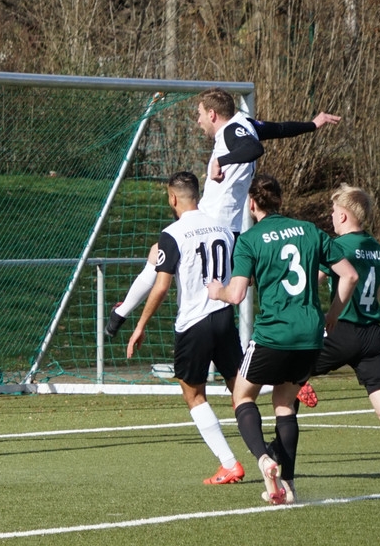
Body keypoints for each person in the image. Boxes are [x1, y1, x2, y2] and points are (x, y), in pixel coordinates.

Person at [106, 88, 341, 340]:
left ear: (212, 114)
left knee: (172, 264)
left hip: (213, 223)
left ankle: (121, 315)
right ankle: (121, 314)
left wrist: (221, 160)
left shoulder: (231, 131)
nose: (198, 120)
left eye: (199, 114)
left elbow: (254, 148)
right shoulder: (245, 125)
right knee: (213, 279)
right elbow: (279, 129)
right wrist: (312, 125)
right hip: (227, 226)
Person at [207, 174, 358, 505]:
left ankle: (264, 459)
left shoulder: (250, 239)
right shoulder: (310, 230)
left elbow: (236, 294)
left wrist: (217, 291)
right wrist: (332, 315)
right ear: (279, 200)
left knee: (242, 397)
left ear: (252, 203)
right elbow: (349, 275)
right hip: (310, 334)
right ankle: (288, 486)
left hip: (273, 334)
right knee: (285, 405)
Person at [126, 171, 246, 485]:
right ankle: (267, 453)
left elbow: (161, 286)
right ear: (197, 195)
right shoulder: (224, 228)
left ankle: (229, 463)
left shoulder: (172, 234)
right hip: (224, 316)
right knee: (241, 392)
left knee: (193, 394)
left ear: (173, 198)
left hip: (194, 323)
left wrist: (140, 325)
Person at [278, 184, 380, 440]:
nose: (331, 215)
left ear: (343, 215)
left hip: (342, 330)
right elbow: (377, 292)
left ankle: (281, 452)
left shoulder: (338, 246)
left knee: (287, 374)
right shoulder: (374, 246)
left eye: (333, 210)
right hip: (373, 335)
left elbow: (310, 282)